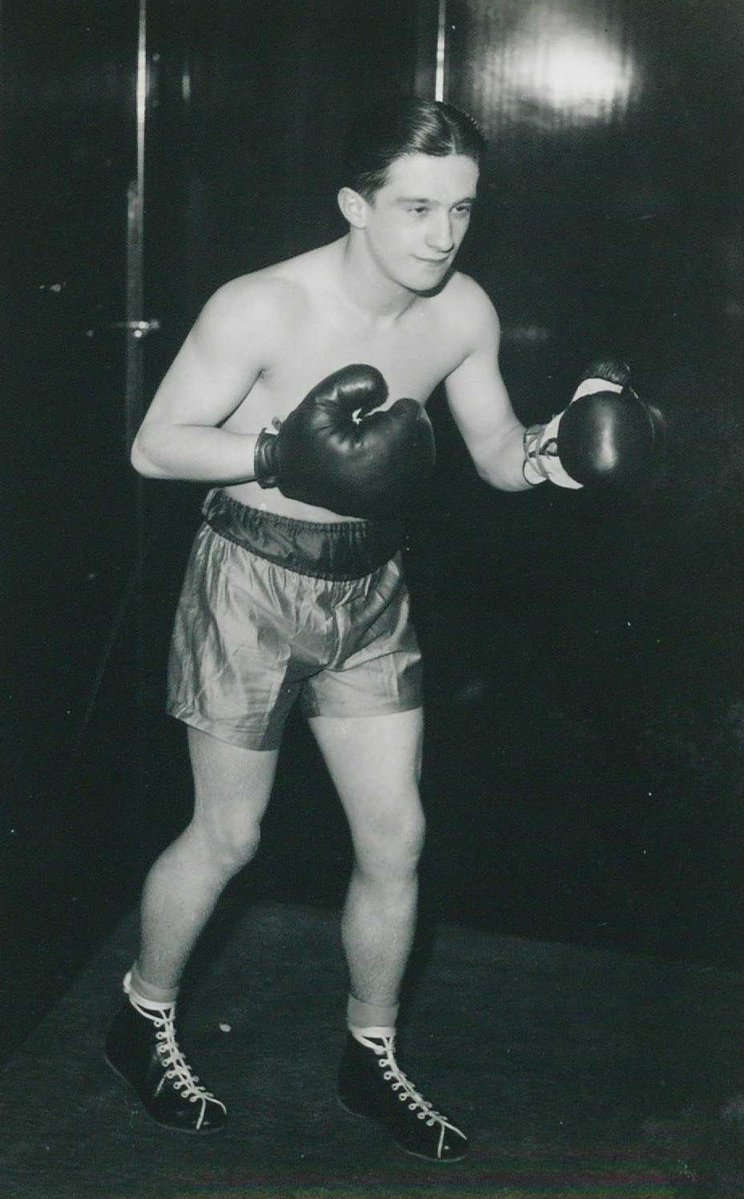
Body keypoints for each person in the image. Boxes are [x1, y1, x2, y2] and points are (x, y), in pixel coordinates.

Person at [105, 97, 659, 1162]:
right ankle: (141, 1013)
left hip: (370, 590)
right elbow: (155, 445)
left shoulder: (462, 312)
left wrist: (576, 446)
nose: (442, 235)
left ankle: (371, 1051)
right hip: (250, 580)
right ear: (356, 204)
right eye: (416, 208)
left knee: (396, 834)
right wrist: (279, 452)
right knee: (229, 833)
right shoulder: (260, 306)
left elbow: (501, 455)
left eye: (461, 209)